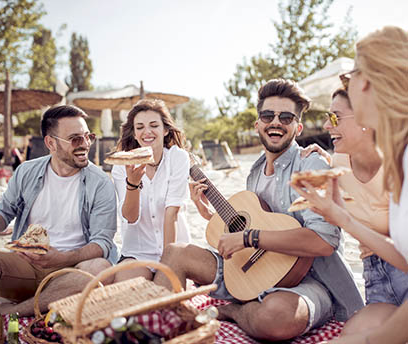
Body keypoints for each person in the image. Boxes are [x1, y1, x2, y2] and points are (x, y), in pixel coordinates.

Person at [153, 79, 364, 342]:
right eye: (268, 115)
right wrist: (211, 216)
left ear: (297, 128)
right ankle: (156, 333)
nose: (276, 122)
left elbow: (324, 241)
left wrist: (248, 238)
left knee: (276, 317)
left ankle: (233, 311)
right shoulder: (254, 172)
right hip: (254, 271)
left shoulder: (311, 165)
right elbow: (252, 222)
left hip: (309, 281)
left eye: (286, 117)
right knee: (175, 254)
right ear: (257, 124)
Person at [291, 26, 408, 344]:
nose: (348, 83)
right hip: (377, 278)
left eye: (351, 75)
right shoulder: (399, 154)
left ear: (366, 81)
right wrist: (341, 217)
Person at [0, 105, 119, 317]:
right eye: (75, 139)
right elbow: (4, 211)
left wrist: (62, 258)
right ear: (51, 143)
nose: (85, 145)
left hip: (72, 269)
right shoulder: (26, 171)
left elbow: (102, 243)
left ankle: (14, 312)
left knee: (100, 268)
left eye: (88, 137)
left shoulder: (100, 183)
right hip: (25, 266)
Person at [111, 99, 190, 282]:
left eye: (154, 125)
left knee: (165, 296)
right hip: (138, 252)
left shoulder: (178, 158)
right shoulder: (122, 165)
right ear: (135, 133)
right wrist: (133, 184)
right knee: (126, 294)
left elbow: (172, 213)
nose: (147, 132)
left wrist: (167, 265)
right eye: (140, 127)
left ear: (165, 130)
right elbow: (130, 217)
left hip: (175, 250)